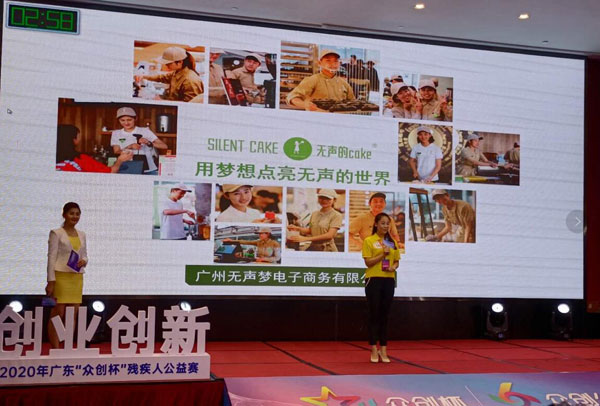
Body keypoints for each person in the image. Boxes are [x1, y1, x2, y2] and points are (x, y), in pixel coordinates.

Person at [45, 202, 88, 349]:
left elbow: (85, 255)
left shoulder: (82, 234)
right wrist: (51, 281)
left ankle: (67, 346)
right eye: (71, 213)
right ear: (64, 215)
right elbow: (51, 257)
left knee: (73, 313)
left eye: (77, 214)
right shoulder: (56, 233)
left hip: (76, 277)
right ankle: (56, 347)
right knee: (58, 313)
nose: (74, 216)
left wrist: (84, 261)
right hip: (61, 276)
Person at [362, 213, 400, 363]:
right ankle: (373, 348)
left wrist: (393, 267)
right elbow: (368, 262)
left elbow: (397, 261)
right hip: (373, 280)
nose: (385, 226)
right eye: (383, 223)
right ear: (376, 224)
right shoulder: (369, 241)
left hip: (389, 280)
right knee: (374, 314)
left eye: (387, 223)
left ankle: (383, 349)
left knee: (385, 315)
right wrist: (382, 255)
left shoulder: (392, 242)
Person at [286, 49, 355, 111]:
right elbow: (292, 96)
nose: (333, 64)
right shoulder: (313, 80)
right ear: (319, 63)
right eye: (328, 61)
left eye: (335, 61)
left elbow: (352, 102)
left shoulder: (344, 83)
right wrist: (305, 104)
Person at [110, 107, 167, 175]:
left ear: (135, 118)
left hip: (148, 169)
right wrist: (130, 146)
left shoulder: (145, 131)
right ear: (118, 120)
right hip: (126, 168)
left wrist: (148, 142)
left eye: (129, 120)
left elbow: (164, 146)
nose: (126, 123)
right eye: (122, 120)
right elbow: (116, 151)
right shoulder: (116, 133)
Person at [137, 46, 204, 102]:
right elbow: (162, 77)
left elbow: (189, 105)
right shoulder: (178, 72)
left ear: (180, 62)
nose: (166, 65)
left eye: (168, 63)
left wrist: (163, 102)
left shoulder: (190, 80)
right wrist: (143, 76)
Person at [56, 124, 132, 173]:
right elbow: (110, 172)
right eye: (79, 136)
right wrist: (120, 160)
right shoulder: (81, 159)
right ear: (74, 140)